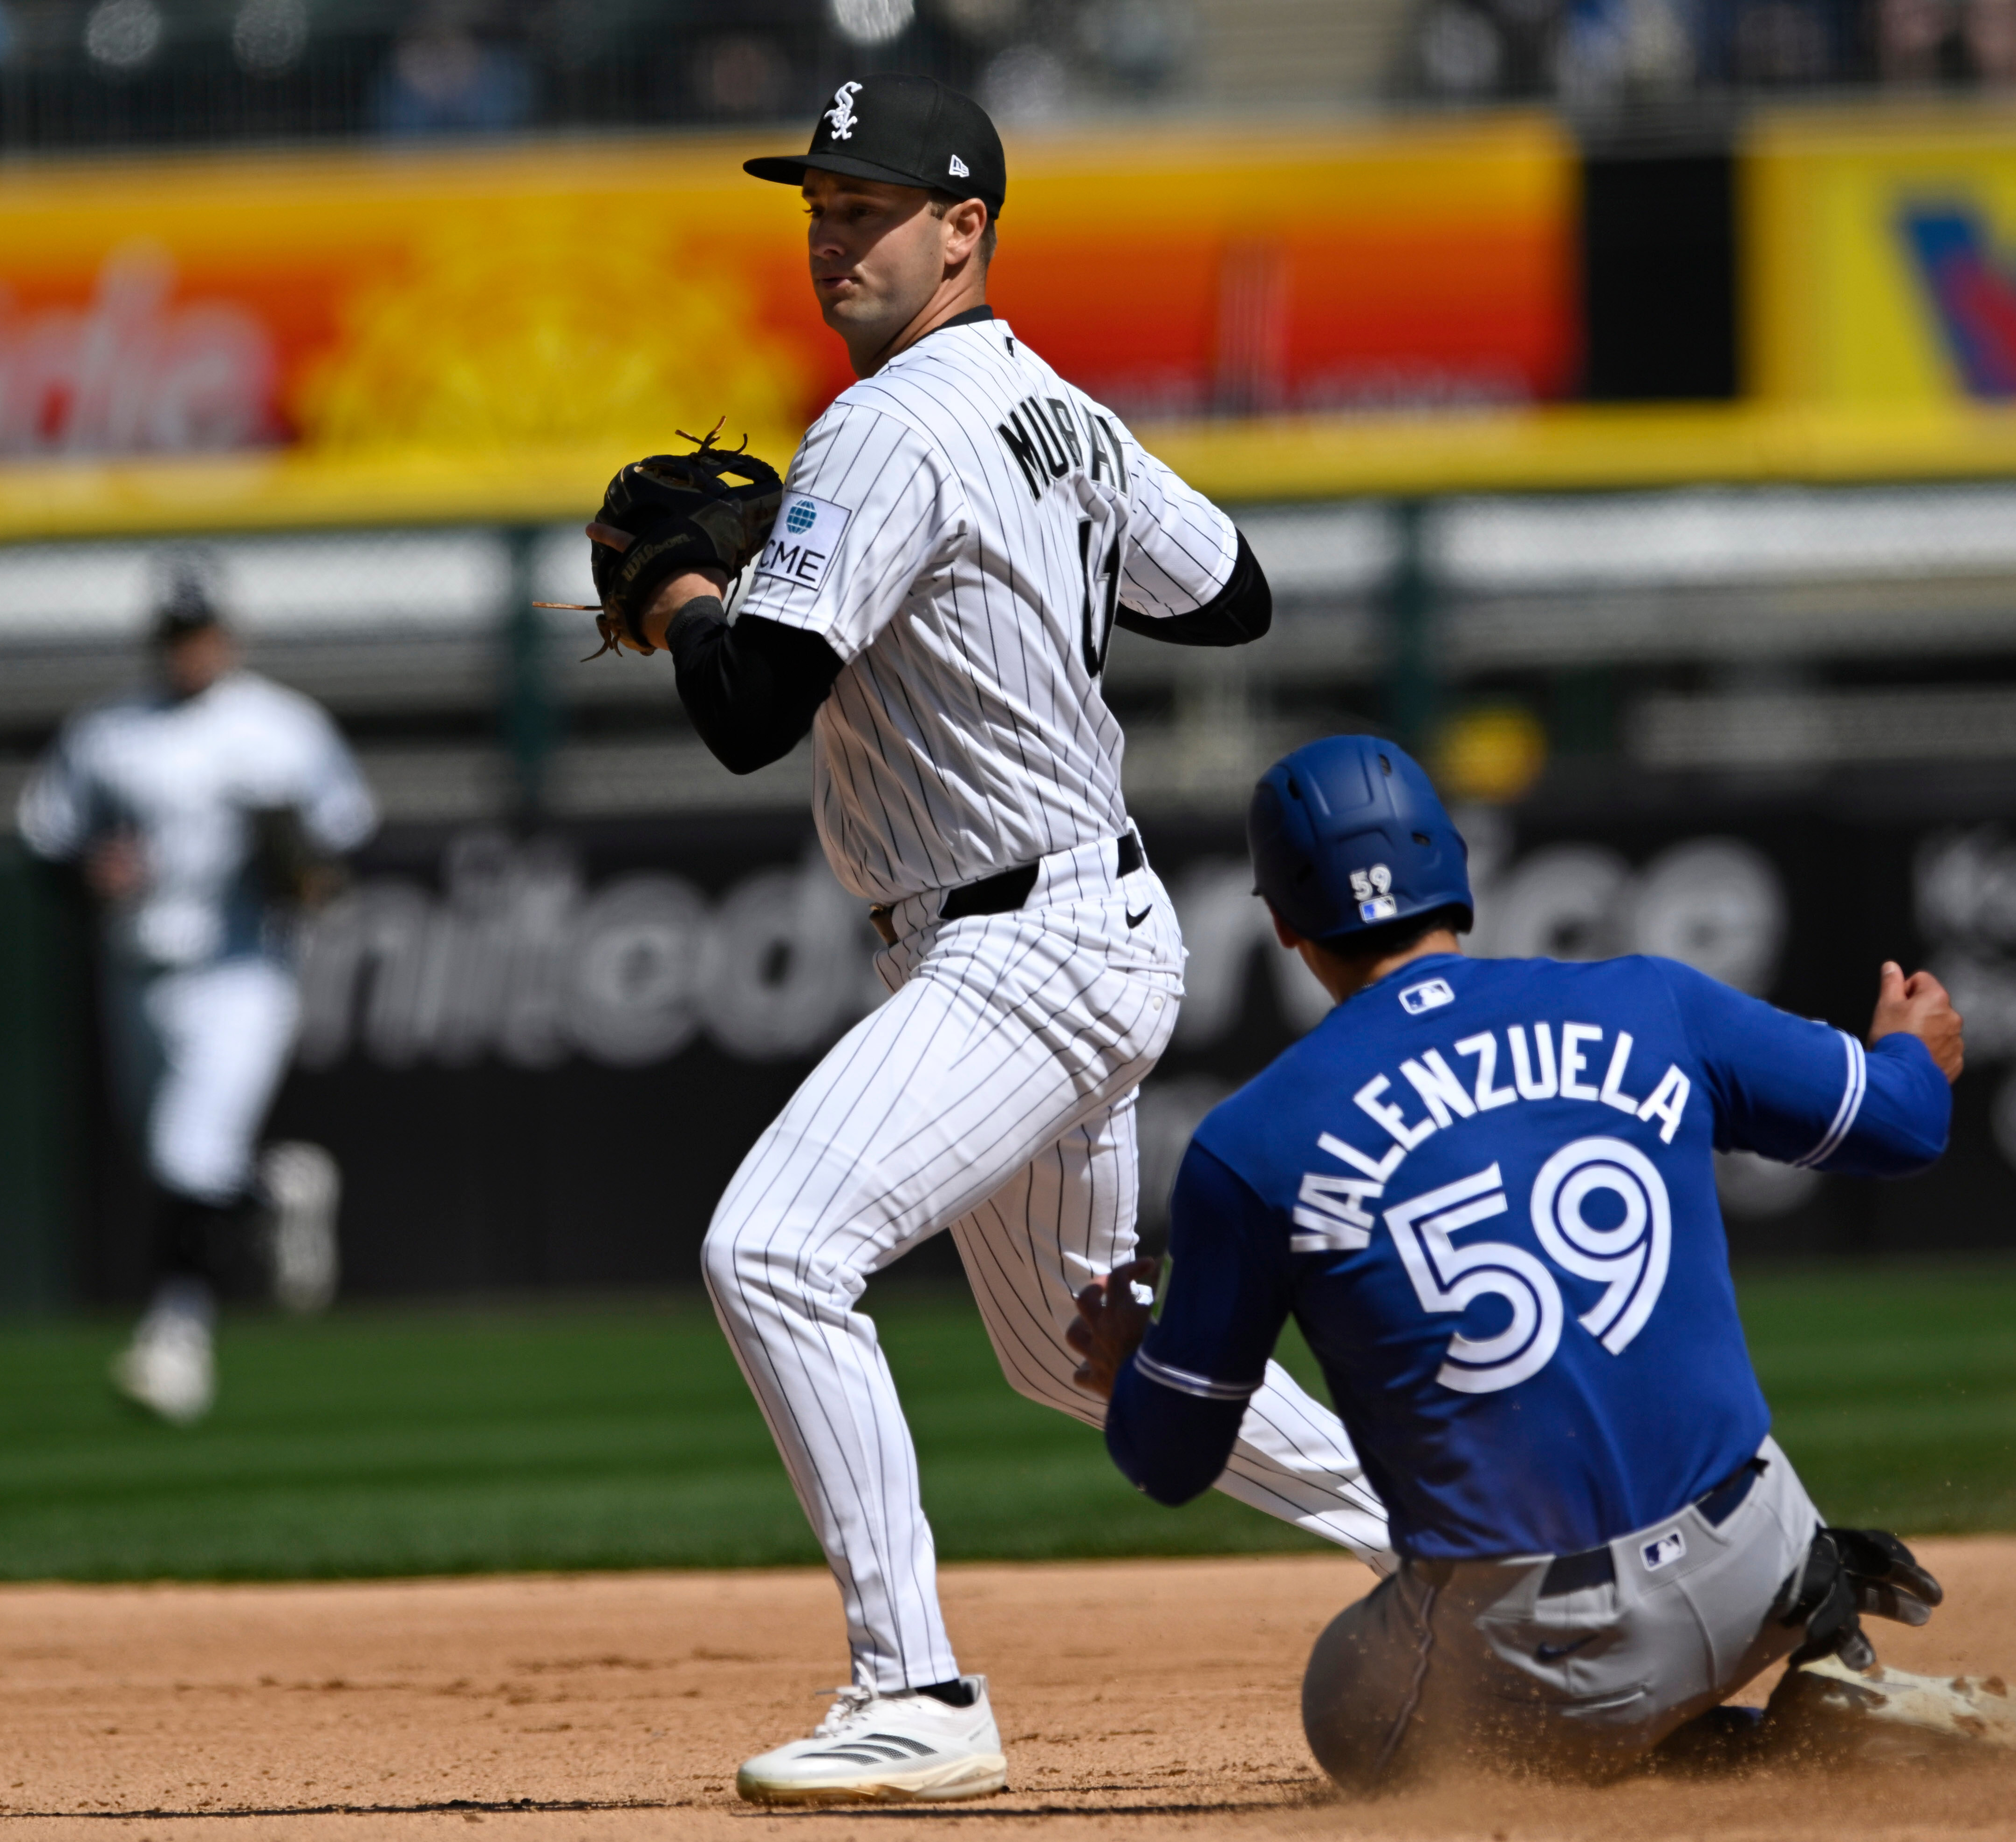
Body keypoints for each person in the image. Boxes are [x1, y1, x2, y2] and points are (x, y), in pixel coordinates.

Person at [584, 74, 1391, 1807]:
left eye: (867, 208)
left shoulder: (883, 430)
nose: (831, 236)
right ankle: (1448, 1541)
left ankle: (917, 1687)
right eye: (817, 206)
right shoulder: (1054, 410)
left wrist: (681, 588)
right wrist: (1042, 534)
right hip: (1082, 916)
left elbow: (746, 711)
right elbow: (1236, 589)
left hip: (1022, 942)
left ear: (967, 229)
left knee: (775, 1252)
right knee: (1079, 1348)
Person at [1071, 736, 2016, 1790]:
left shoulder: (1249, 1145)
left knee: (1344, 1701)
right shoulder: (1651, 1001)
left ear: (1280, 924)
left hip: (1542, 1654)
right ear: (1457, 872)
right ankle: (1821, 1699)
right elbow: (1904, 1126)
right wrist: (1911, 1047)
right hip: (1764, 1569)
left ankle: (1736, 1760)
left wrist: (1127, 1365)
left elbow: (1170, 1460)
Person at [17, 573, 376, 1426]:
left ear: (232, 634)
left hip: (243, 968)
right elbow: (48, 840)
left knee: (187, 1155)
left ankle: (175, 1343)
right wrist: (87, 875)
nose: (192, 647)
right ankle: (275, 1188)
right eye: (178, 634)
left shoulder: (281, 727)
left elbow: (344, 837)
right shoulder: (108, 733)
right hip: (136, 966)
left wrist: (306, 872)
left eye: (204, 630)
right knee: (175, 1164)